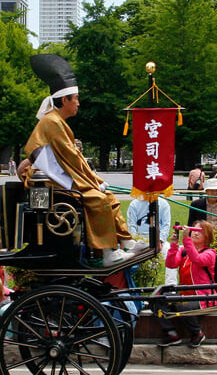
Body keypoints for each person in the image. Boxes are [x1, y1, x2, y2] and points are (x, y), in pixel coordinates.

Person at [22, 53, 139, 266]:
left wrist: (95, 180)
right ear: (64, 100)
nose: (78, 103)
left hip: (60, 179)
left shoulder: (57, 121)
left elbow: (73, 158)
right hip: (54, 183)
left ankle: (125, 242)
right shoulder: (53, 122)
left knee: (110, 198)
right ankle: (106, 253)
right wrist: (94, 182)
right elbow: (71, 160)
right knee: (99, 199)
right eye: (75, 98)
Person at [156, 221, 217, 348]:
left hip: (202, 296)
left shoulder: (210, 253)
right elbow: (171, 264)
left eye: (200, 231)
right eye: (194, 229)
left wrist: (186, 240)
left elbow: (197, 259)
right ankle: (171, 333)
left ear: (207, 236)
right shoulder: (184, 251)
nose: (195, 232)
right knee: (158, 299)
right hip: (185, 295)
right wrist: (174, 245)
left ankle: (197, 333)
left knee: (182, 305)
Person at [127, 197, 175, 284]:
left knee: (170, 254)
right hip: (140, 240)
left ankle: (171, 285)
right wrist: (136, 241)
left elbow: (166, 225)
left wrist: (160, 240)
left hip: (158, 239)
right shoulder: (134, 204)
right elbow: (131, 226)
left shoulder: (164, 204)